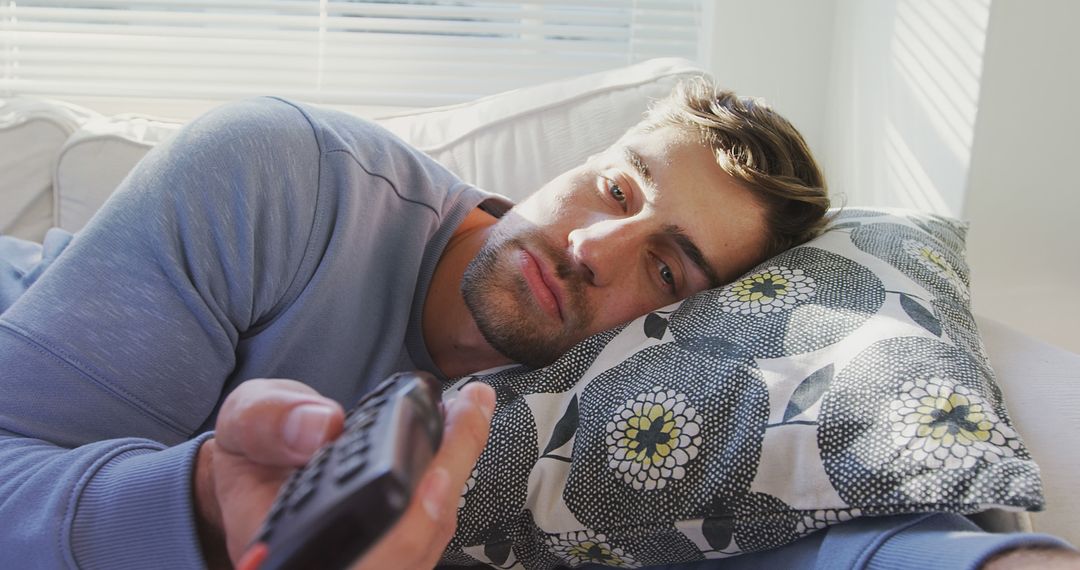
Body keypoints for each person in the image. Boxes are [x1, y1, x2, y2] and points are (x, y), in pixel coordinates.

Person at [0, 79, 1075, 570]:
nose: (594, 251)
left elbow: (795, 518)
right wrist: (197, 506)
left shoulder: (613, 407)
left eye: (666, 264)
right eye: (617, 191)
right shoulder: (284, 176)